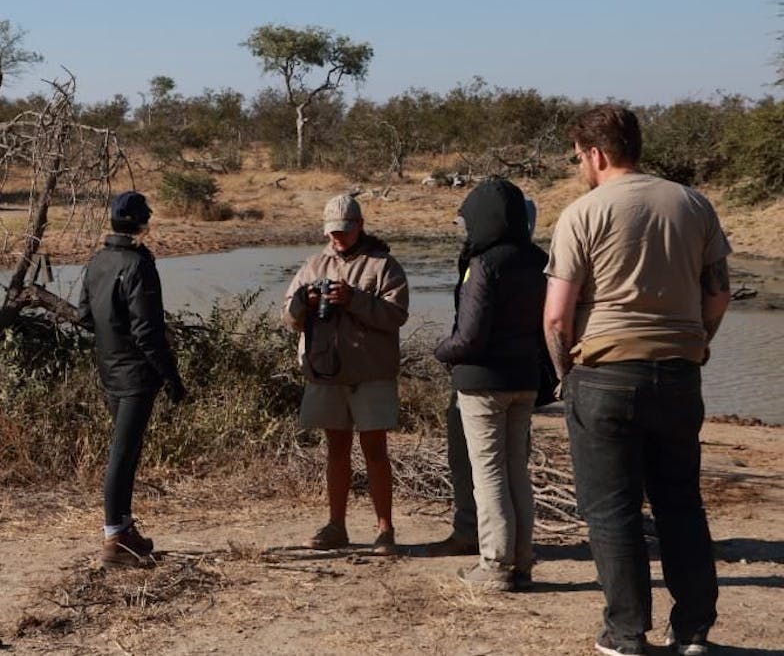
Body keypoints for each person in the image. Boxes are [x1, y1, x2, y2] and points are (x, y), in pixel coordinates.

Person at [544, 104, 730, 656]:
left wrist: (565, 372)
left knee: (611, 510)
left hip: (605, 372)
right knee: (681, 503)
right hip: (678, 373)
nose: (580, 165)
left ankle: (626, 634)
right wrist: (696, 343)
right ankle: (693, 630)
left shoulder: (583, 212)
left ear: (596, 153)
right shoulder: (694, 203)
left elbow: (556, 316)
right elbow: (717, 293)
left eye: (579, 156)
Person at [433, 179, 548, 591]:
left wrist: (440, 350)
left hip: (483, 384)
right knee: (517, 469)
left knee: (488, 474)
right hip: (525, 380)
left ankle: (495, 565)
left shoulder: (483, 263)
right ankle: (522, 562)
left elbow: (469, 337)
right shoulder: (539, 260)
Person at [282, 194, 409, 553]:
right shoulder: (313, 265)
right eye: (332, 232)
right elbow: (288, 318)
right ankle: (336, 525)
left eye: (344, 231)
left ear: (360, 227)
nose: (337, 238)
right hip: (326, 374)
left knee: (375, 450)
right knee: (335, 449)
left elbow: (395, 315)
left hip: (370, 375)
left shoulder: (384, 266)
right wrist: (301, 304)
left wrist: (353, 299)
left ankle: (385, 530)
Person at [78, 190, 187, 567]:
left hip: (109, 369)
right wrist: (171, 377)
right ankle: (113, 539)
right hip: (136, 374)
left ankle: (124, 530)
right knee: (123, 454)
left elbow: (84, 316)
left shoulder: (97, 262)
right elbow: (148, 331)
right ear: (142, 223)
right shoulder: (138, 265)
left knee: (127, 450)